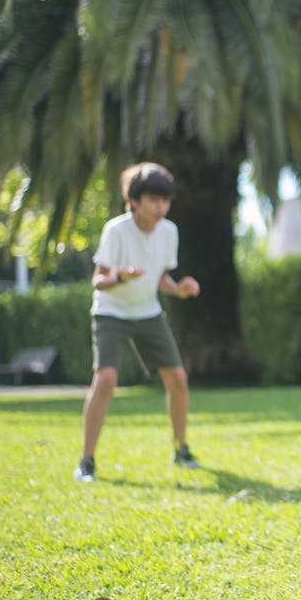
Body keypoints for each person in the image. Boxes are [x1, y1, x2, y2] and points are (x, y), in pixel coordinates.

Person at [74, 162, 204, 482]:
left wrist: (180, 290)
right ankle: (86, 461)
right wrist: (121, 275)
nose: (161, 207)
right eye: (153, 200)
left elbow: (162, 279)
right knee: (105, 380)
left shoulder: (169, 231)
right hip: (112, 311)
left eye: (166, 200)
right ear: (134, 201)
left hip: (148, 312)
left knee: (178, 379)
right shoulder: (116, 231)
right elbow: (98, 280)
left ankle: (181, 448)